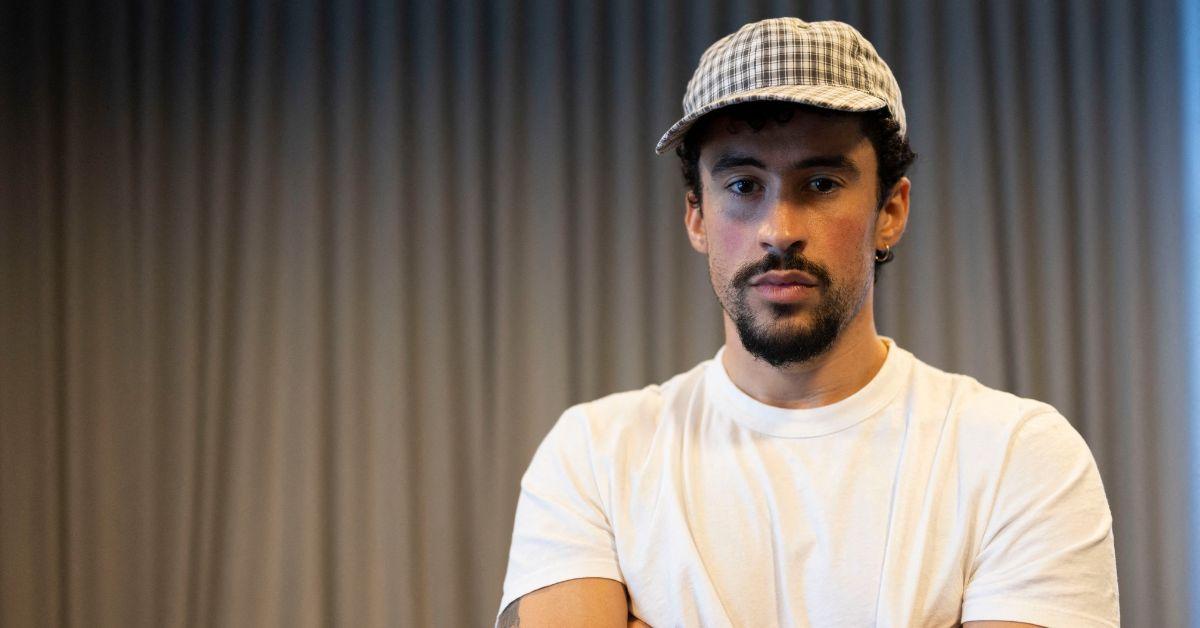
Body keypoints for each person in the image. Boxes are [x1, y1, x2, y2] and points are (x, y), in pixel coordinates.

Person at [497, 17, 1118, 628]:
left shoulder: (1018, 454)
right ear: (697, 216)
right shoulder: (595, 455)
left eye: (821, 183)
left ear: (890, 211)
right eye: (743, 185)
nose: (779, 231)